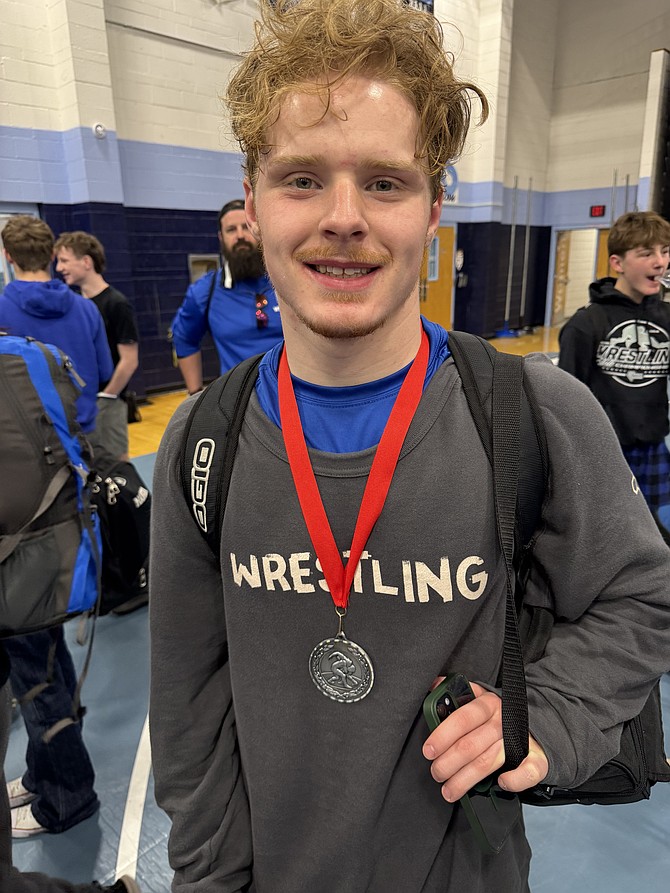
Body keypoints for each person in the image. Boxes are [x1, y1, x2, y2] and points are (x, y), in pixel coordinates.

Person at [149, 2, 670, 891]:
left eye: (385, 182)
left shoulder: (534, 413)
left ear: (436, 203)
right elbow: (189, 711)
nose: (344, 216)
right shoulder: (205, 441)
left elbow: (641, 596)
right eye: (301, 178)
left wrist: (552, 712)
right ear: (252, 197)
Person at [0, 215, 112, 839]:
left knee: (38, 679)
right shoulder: (79, 313)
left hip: (22, 536)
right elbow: (91, 386)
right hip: (55, 512)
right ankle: (48, 777)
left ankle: (64, 792)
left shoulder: (8, 316)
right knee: (42, 668)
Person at [558, 211, 670, 510]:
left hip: (653, 446)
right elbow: (565, 399)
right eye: (646, 254)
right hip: (603, 451)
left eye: (665, 251)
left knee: (656, 536)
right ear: (618, 263)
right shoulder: (586, 324)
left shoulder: (667, 319)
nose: (659, 262)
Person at [169, 198, 283, 395]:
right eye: (231, 230)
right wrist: (195, 394)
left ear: (259, 230)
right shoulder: (206, 291)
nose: (240, 236)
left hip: (297, 398)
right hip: (238, 404)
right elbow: (184, 338)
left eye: (246, 227)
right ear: (221, 238)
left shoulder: (288, 280)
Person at [54, 232, 140, 462]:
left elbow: (129, 361)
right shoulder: (74, 306)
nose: (59, 268)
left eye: (64, 260)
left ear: (86, 262)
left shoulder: (116, 304)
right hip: (78, 405)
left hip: (108, 404)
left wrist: (106, 396)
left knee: (116, 468)